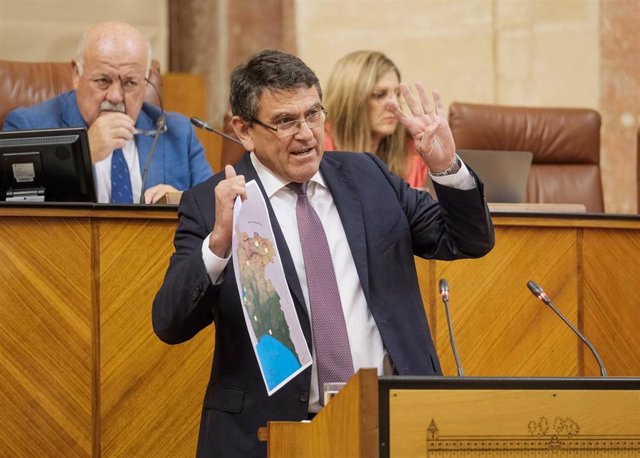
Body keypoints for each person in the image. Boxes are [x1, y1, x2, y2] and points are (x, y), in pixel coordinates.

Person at [152, 49, 494, 456]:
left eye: (313, 114)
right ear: (243, 130)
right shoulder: (212, 203)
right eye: (285, 121)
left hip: (392, 425)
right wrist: (218, 248)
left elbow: (467, 240)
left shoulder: (369, 177)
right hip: (270, 437)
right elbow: (170, 324)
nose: (306, 133)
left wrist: (446, 168)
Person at [3, 21, 212, 204]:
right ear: (77, 74)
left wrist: (182, 202)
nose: (115, 96)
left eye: (130, 83)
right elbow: (17, 214)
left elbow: (213, 207)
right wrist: (83, 154)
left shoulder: (178, 133)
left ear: (146, 79)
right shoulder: (28, 125)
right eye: (103, 80)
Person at [323, 50, 427, 188]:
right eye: (379, 95)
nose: (394, 104)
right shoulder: (318, 147)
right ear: (350, 100)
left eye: (397, 94)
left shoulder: (413, 149)